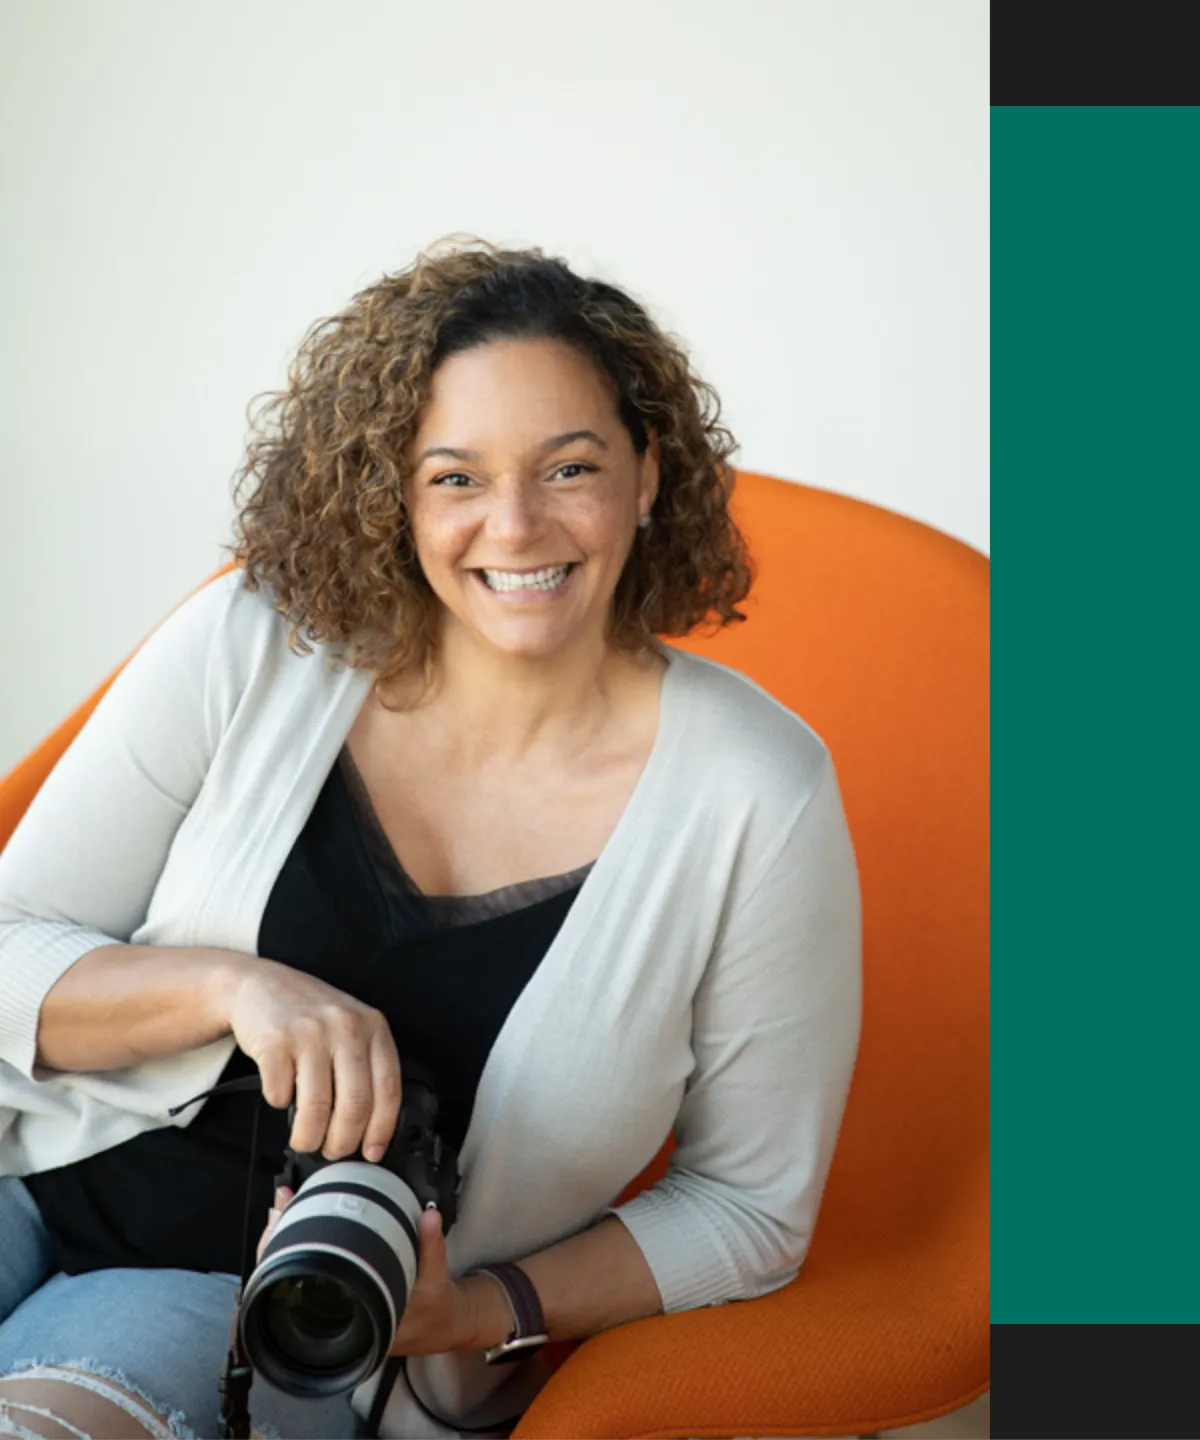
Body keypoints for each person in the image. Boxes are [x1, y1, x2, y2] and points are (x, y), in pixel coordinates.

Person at [0, 237, 863, 1439]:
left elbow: (749, 1208)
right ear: (390, 491)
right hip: (27, 1161)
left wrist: (481, 1311)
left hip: (262, 1317)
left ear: (649, 473)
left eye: (569, 467)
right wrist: (232, 988)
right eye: (453, 477)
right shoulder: (259, 643)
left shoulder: (756, 795)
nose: (514, 526)